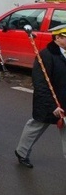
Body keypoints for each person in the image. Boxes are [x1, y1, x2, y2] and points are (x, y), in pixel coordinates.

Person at [14, 25, 66, 168]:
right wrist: (52, 105)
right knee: (36, 126)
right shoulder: (45, 55)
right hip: (49, 102)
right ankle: (22, 152)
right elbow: (41, 83)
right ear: (58, 38)